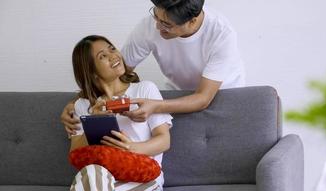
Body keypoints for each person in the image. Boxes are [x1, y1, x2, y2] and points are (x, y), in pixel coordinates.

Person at [61, 0, 245, 134]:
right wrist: (76, 103)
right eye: (155, 16)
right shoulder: (150, 25)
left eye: (166, 24)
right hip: (176, 94)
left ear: (192, 21)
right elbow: (116, 71)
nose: (157, 27)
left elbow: (203, 98)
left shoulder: (221, 35)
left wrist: (155, 106)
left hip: (222, 95)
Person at [61, 35, 172, 191]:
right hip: (102, 176)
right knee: (92, 172)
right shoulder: (82, 105)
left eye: (111, 49)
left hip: (143, 178)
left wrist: (131, 148)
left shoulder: (144, 90)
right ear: (92, 72)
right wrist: (94, 120)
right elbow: (75, 152)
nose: (113, 56)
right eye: (102, 56)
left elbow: (164, 140)